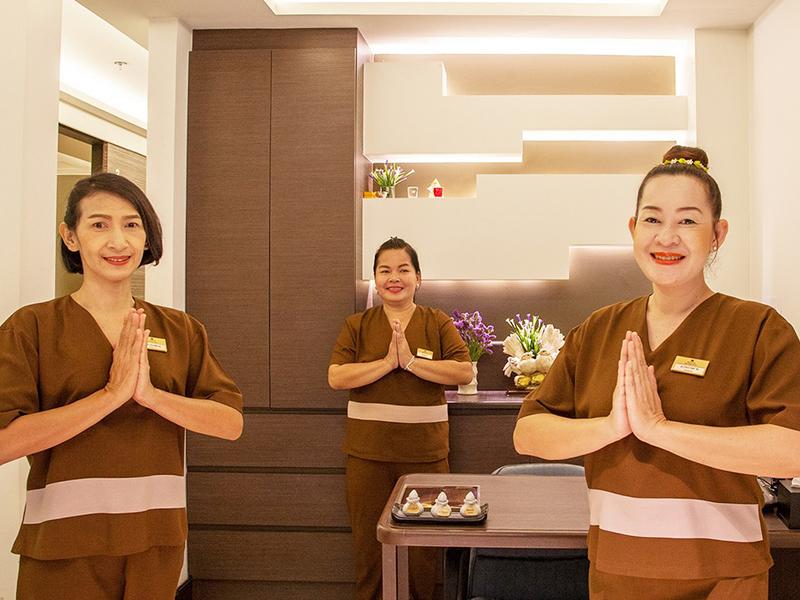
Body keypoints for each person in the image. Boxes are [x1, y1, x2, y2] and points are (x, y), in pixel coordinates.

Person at [513, 146, 800, 599]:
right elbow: (529, 433)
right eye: (652, 219)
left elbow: (791, 450)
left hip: (724, 579)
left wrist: (660, 430)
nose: (667, 237)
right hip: (616, 574)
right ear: (633, 229)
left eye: (687, 221)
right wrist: (612, 426)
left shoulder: (757, 328)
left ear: (718, 234)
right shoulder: (598, 330)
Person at [0, 173, 243, 600]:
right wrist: (111, 396)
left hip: (156, 542)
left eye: (132, 224)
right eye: (99, 224)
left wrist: (151, 395)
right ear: (70, 236)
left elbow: (229, 423)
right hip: (62, 544)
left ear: (146, 236)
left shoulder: (180, 329)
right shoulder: (31, 327)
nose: (118, 240)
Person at [328, 237, 473, 600]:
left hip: (425, 456)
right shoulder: (357, 324)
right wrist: (386, 363)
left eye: (403, 270)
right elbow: (336, 377)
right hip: (367, 457)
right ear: (375, 280)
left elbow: (463, 371)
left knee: (424, 552)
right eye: (385, 271)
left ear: (418, 278)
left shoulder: (436, 321)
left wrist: (410, 361)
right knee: (369, 550)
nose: (394, 278)